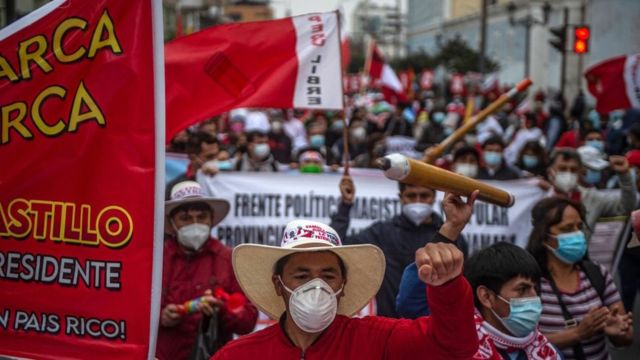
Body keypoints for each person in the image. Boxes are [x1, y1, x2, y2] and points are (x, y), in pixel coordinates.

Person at [212, 191, 481, 359]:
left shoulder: (378, 340)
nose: (316, 286)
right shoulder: (238, 355)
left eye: (328, 275)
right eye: (302, 275)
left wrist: (448, 287)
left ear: (343, 284)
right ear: (278, 283)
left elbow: (455, 349)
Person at [329, 176, 468, 318]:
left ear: (433, 197)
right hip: (388, 326)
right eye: (411, 196)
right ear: (401, 197)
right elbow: (336, 245)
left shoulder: (450, 236)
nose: (418, 201)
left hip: (431, 326)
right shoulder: (381, 232)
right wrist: (345, 206)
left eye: (424, 196)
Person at [396, 242, 563, 359]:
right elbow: (410, 303)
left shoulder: (547, 352)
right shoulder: (455, 345)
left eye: (535, 288)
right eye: (522, 289)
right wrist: (450, 230)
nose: (534, 298)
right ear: (486, 297)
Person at [157, 181, 258, 360]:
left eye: (202, 217)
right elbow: (134, 313)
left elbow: (248, 321)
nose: (195, 224)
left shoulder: (228, 259)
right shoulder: (156, 260)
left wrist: (223, 309)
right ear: (172, 223)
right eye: (186, 218)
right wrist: (161, 317)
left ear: (211, 220)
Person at [526, 197, 633, 359]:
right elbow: (522, 342)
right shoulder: (529, 283)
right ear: (544, 236)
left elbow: (626, 338)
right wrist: (578, 333)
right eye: (567, 228)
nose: (577, 234)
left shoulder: (597, 274)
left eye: (579, 227)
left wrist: (619, 331)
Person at [544, 148, 636, 239]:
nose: (568, 173)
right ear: (550, 171)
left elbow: (627, 207)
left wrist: (625, 176)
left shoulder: (593, 198)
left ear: (579, 171)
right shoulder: (538, 195)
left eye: (573, 170)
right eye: (562, 168)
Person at [166, 131, 223, 200]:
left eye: (217, 155)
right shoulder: (176, 187)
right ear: (192, 157)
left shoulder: (226, 178)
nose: (215, 160)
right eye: (209, 157)